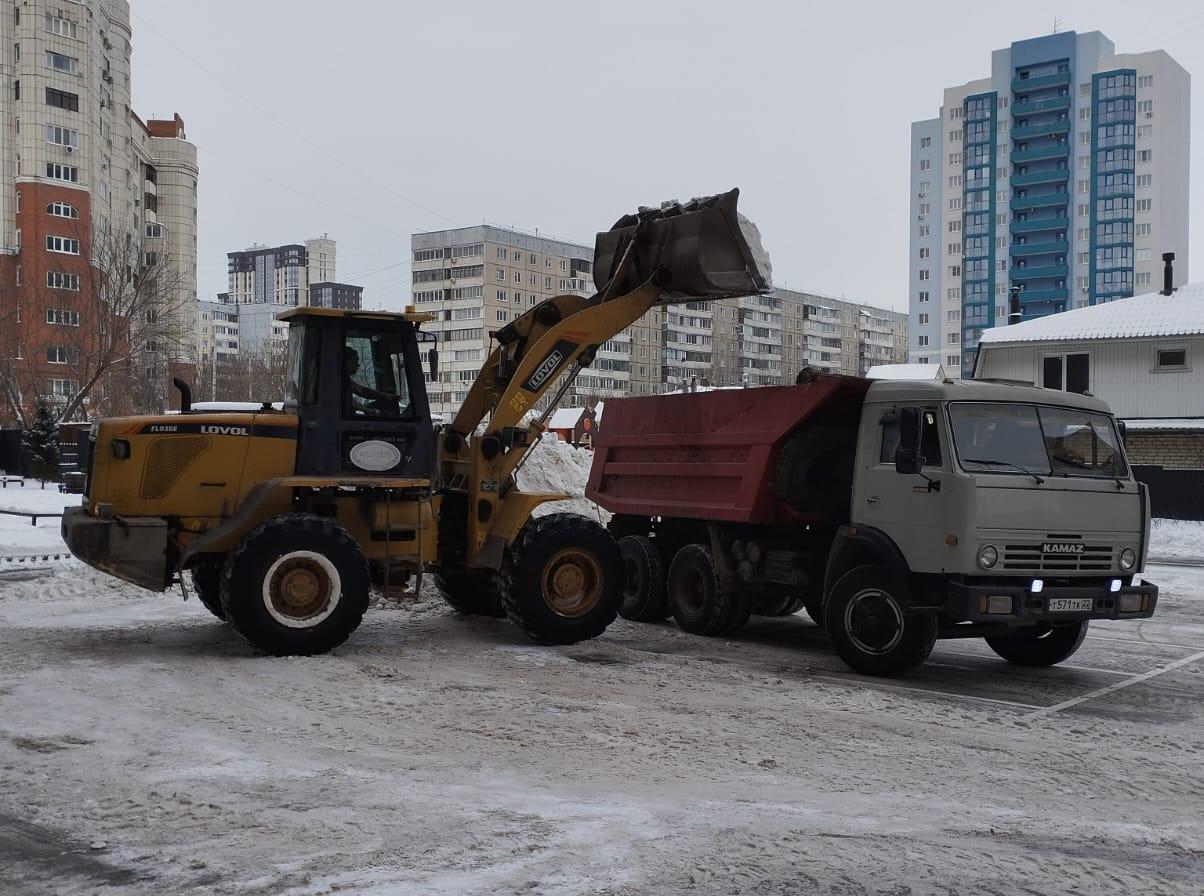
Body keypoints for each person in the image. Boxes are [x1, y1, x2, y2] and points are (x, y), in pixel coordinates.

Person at [343, 347, 395, 415]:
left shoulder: (344, 379)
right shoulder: (339, 380)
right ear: (347, 361)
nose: (358, 365)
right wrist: (371, 411)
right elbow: (357, 397)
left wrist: (384, 395)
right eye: (355, 360)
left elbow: (361, 391)